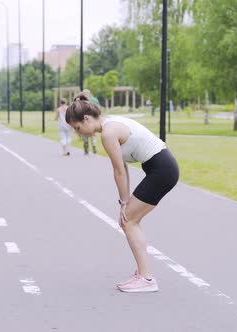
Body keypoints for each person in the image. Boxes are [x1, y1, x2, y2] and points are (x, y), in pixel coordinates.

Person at [65, 90, 179, 293]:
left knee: (129, 220)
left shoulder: (108, 134)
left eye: (78, 127)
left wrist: (124, 204)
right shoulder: (109, 122)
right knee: (130, 220)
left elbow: (118, 171)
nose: (80, 132)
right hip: (161, 168)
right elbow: (124, 168)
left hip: (162, 170)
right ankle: (143, 274)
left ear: (87, 118)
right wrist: (124, 202)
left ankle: (146, 278)